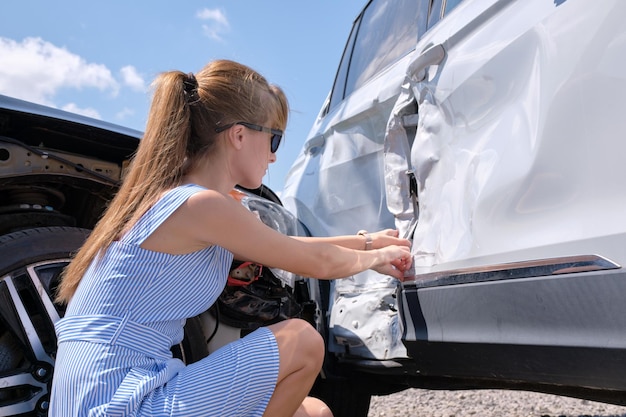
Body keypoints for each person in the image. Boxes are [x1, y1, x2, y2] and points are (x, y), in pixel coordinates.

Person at [50, 59, 412, 417]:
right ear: (239, 135)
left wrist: (367, 242)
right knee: (301, 342)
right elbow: (313, 263)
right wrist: (376, 260)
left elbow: (286, 249)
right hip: (118, 401)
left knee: (313, 412)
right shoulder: (200, 204)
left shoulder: (179, 198)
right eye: (274, 138)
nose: (272, 156)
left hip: (117, 389)